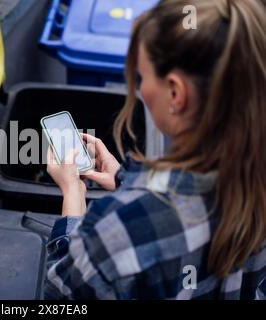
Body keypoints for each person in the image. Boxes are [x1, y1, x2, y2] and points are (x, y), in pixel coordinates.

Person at [44, 0, 266, 299]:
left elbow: (61, 299)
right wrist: (124, 180)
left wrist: (73, 195)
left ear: (175, 93)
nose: (140, 89)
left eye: (142, 76)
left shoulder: (118, 228)